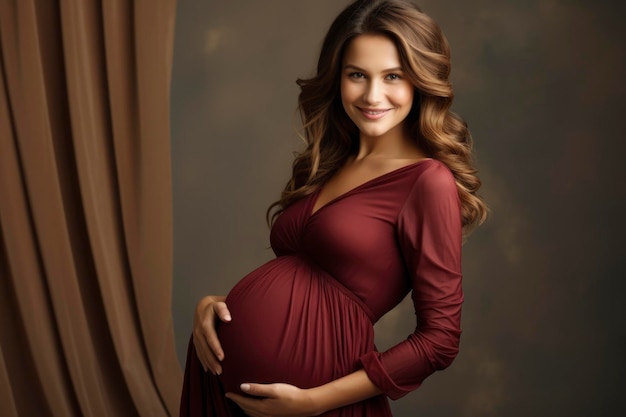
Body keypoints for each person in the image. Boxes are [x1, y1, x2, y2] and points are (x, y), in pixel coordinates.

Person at [180, 0, 487, 415]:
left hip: (317, 403)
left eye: (393, 76)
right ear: (338, 77)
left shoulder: (426, 181)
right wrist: (211, 306)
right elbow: (302, 283)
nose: (372, 95)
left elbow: (440, 339)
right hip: (224, 389)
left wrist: (312, 401)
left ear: (420, 81)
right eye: (357, 75)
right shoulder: (330, 162)